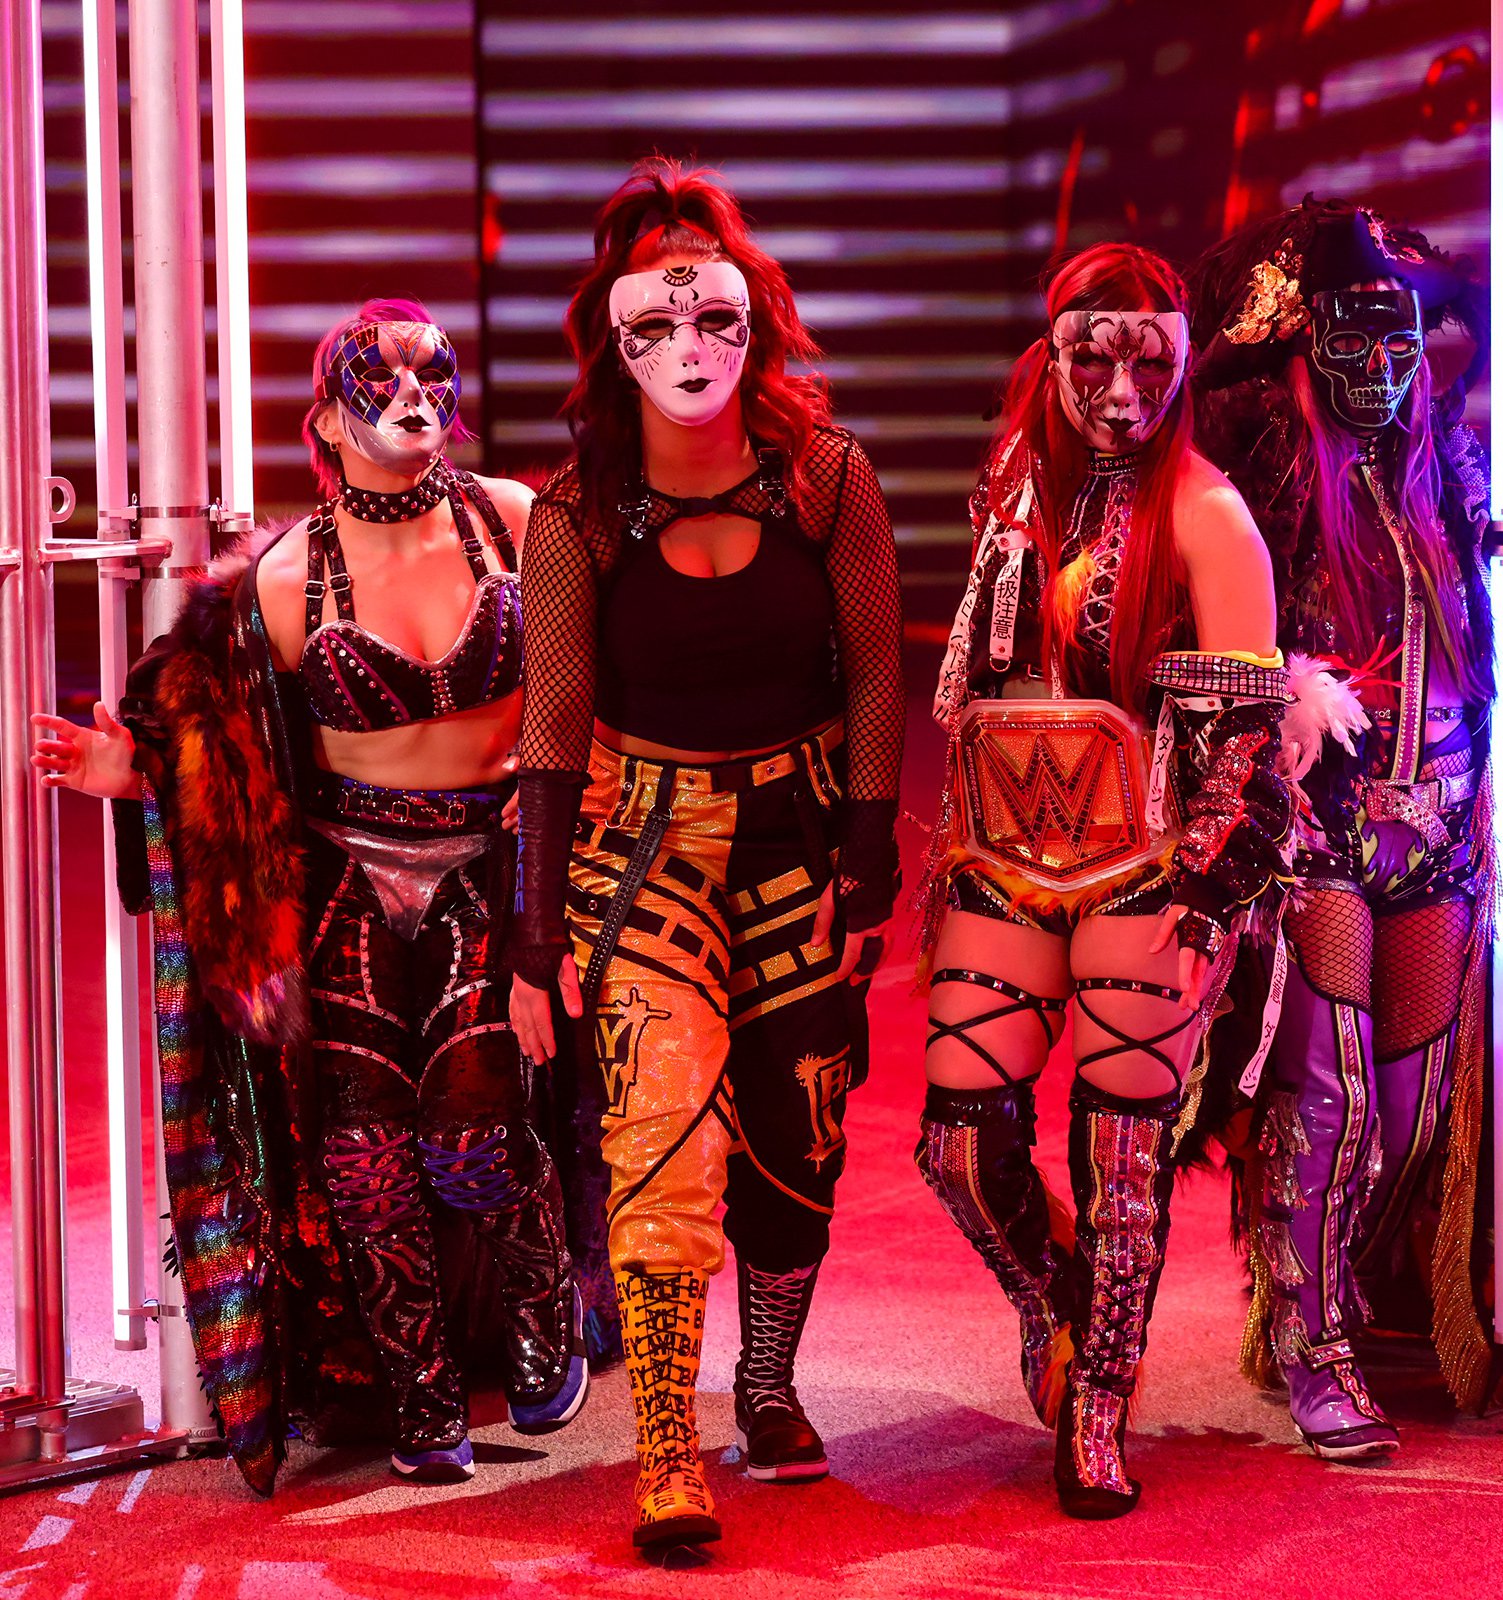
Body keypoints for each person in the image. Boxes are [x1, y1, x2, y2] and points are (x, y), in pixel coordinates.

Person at [31, 300, 585, 1489]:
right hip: (348, 882)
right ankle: (419, 1389)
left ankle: (543, 1288)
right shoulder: (283, 581)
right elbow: (222, 745)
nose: (414, 395)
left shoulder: (517, 521)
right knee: (365, 1158)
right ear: (328, 418)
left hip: (488, 866)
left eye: (433, 371)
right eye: (382, 379)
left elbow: (597, 685)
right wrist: (136, 771)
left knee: (475, 1137)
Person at [506, 158, 904, 1556]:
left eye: (715, 318)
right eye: (655, 323)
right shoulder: (575, 512)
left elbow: (877, 672)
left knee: (799, 1140)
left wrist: (869, 853)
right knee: (659, 1134)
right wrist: (534, 938)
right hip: (642, 848)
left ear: (758, 321)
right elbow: (552, 724)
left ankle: (769, 1383)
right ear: (612, 340)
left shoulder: (827, 476)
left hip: (798, 836)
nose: (688, 348)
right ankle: (667, 1442)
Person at [914, 243, 1293, 1519]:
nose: (1121, 389)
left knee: (1122, 1161)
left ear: (1181, 362)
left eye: (1148, 360)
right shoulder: (1017, 487)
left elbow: (1246, 739)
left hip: (1148, 862)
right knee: (960, 1148)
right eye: (1093, 358)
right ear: (1054, 355)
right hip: (1006, 851)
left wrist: (1203, 893)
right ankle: (1053, 1301)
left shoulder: (1208, 513)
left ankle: (1098, 1403)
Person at [1188, 200, 1496, 1459]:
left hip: (1443, 831)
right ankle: (1313, 1339)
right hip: (1318, 836)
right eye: (1352, 343)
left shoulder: (1448, 471)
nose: (1379, 368)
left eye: (1400, 344)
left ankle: (1310, 1295)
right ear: (1306, 348)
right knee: (1333, 1094)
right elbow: (1198, 629)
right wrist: (1284, 679)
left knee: (1413, 1109)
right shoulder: (1262, 473)